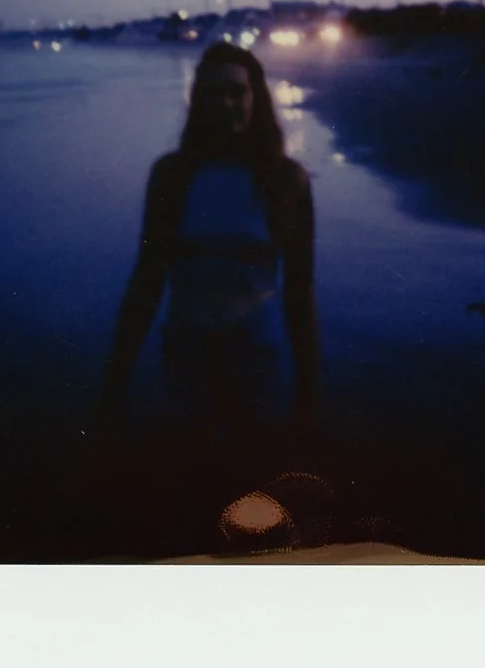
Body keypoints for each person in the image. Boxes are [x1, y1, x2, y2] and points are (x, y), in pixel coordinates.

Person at [96, 42, 319, 525]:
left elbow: (301, 295)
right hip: (186, 357)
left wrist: (309, 394)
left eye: (236, 91)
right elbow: (146, 280)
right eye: (213, 92)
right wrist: (115, 383)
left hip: (261, 363)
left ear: (256, 99)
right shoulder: (171, 177)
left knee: (257, 495)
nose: (225, 103)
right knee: (191, 491)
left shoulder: (287, 180)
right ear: (196, 101)